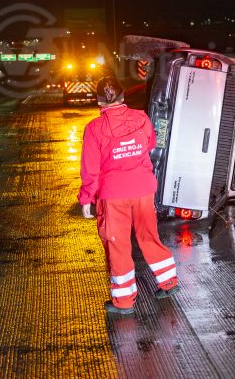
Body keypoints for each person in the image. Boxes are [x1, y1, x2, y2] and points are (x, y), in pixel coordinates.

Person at [78, 76, 180, 316]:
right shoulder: (141, 118)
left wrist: (86, 199)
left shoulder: (94, 128)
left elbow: (90, 168)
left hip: (113, 195)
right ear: (123, 97)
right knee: (149, 236)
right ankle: (169, 282)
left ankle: (124, 302)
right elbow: (151, 144)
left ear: (99, 101)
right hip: (144, 189)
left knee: (118, 244)